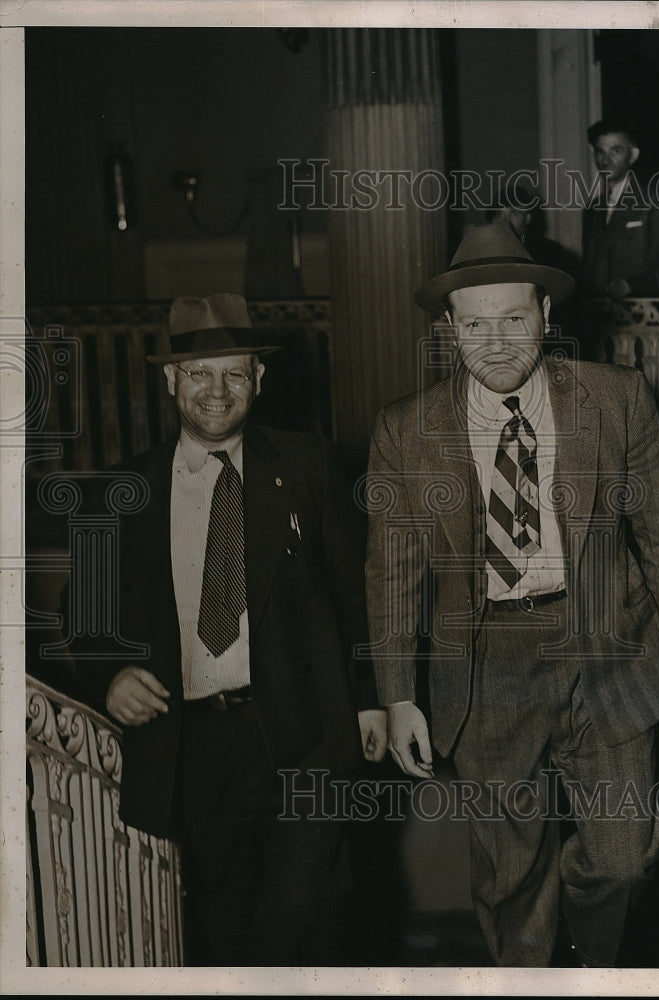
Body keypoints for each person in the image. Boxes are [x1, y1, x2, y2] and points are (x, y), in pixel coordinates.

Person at [365, 221, 659, 967]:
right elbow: (392, 577)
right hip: (487, 667)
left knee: (623, 858)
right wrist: (398, 694)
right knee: (510, 878)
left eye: (514, 318)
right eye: (474, 323)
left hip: (607, 648)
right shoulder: (406, 431)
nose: (496, 340)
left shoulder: (616, 400)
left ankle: (591, 968)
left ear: (546, 316)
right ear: (450, 330)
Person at [70, 292, 386, 965]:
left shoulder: (308, 467)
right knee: (219, 930)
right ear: (169, 379)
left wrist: (370, 698)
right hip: (194, 746)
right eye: (198, 373)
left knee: (306, 925)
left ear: (259, 379)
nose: (217, 391)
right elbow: (82, 618)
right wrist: (109, 675)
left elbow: (359, 596)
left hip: (306, 736)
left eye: (234, 373)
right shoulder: (120, 490)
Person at [581, 119, 659, 301]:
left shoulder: (655, 201)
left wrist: (631, 286)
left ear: (633, 155)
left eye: (615, 150)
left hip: (639, 315)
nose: (605, 159)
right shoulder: (592, 208)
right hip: (600, 319)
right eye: (599, 151)